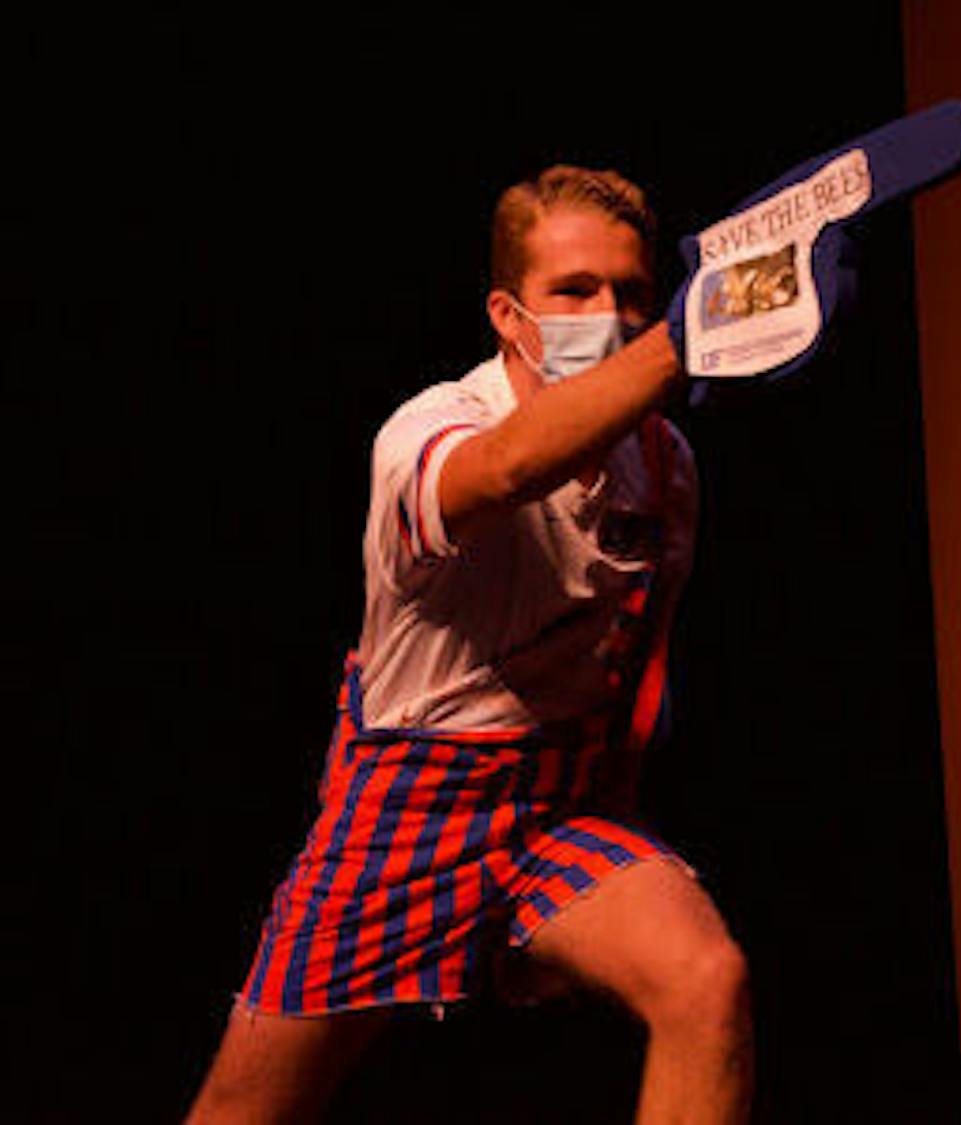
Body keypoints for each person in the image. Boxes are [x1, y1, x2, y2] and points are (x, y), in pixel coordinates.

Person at [187, 166, 753, 1124]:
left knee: (707, 980)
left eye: (631, 293)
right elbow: (506, 468)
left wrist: (614, 809)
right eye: (574, 291)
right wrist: (682, 341)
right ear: (507, 314)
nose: (608, 316)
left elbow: (635, 662)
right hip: (406, 811)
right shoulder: (434, 427)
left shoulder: (664, 462)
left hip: (555, 807)